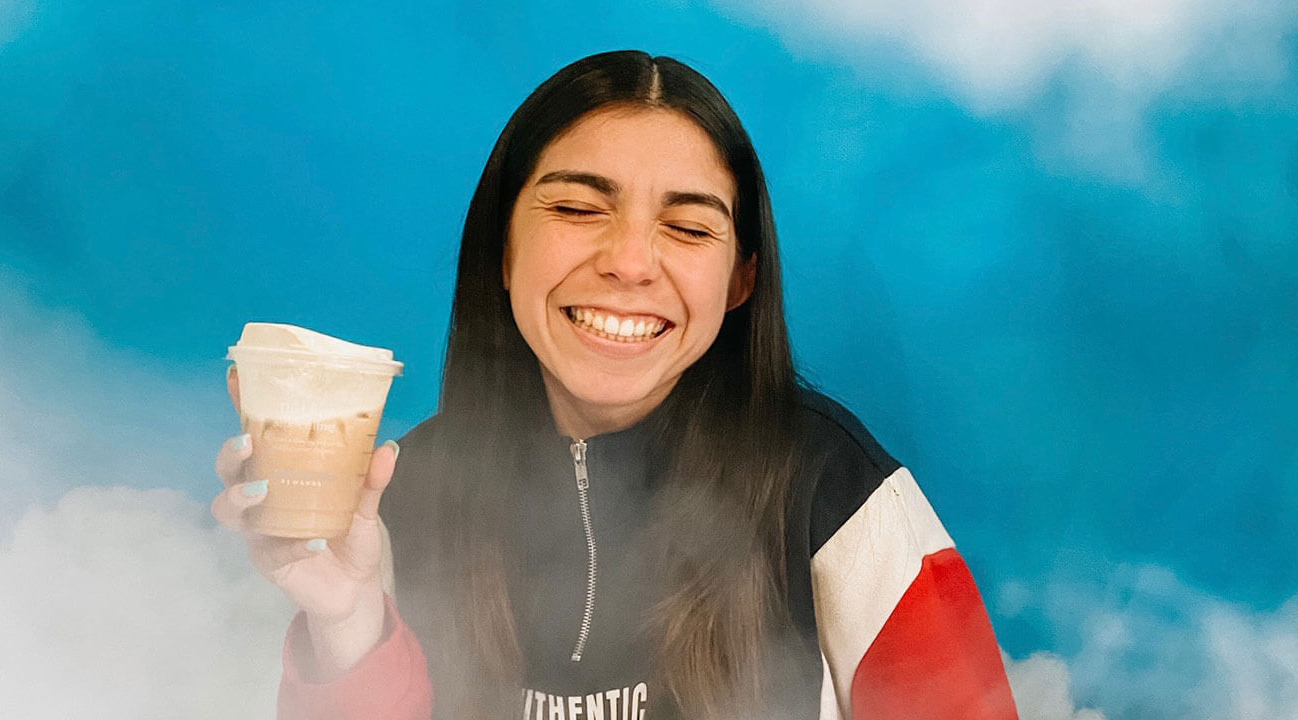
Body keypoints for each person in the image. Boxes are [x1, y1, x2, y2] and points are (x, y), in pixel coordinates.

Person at [211, 50, 1019, 720]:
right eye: (577, 209)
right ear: (502, 247)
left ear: (740, 280)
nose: (630, 263)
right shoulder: (401, 495)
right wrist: (346, 619)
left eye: (688, 227)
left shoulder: (835, 489)